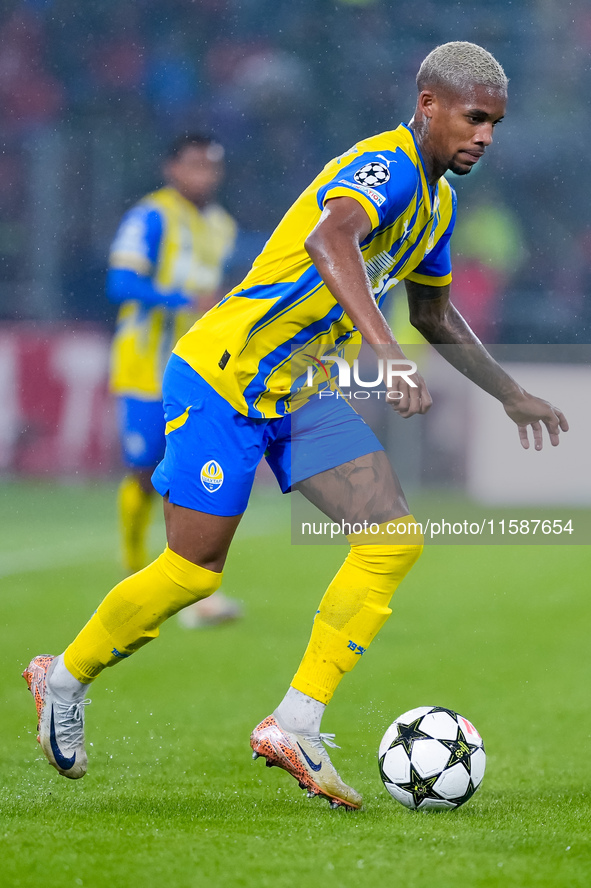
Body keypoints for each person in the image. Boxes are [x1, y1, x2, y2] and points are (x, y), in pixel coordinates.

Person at [24, 42, 568, 810]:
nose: (483, 135)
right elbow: (329, 238)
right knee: (192, 570)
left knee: (391, 538)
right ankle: (65, 677)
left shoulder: (437, 206)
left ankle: (295, 722)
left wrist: (509, 394)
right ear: (427, 106)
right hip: (225, 375)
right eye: (473, 117)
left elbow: (433, 313)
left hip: (296, 392)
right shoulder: (387, 167)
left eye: (494, 124)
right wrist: (383, 356)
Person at [107, 132, 242, 627]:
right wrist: (181, 301)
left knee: (186, 469)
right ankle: (133, 568)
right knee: (144, 468)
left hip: (195, 368)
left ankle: (186, 587)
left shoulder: (222, 226)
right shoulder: (151, 216)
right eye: (194, 165)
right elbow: (119, 282)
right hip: (145, 364)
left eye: (211, 166)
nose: (203, 175)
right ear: (171, 168)